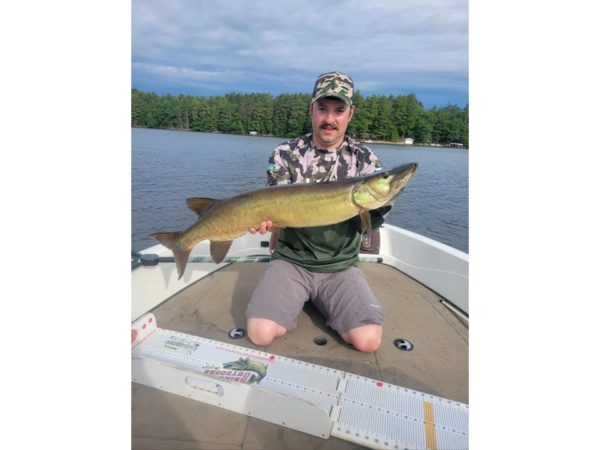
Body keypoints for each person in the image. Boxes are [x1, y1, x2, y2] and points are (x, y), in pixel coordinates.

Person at [246, 71, 388, 352]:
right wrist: (262, 221)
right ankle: (300, 294)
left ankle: (318, 298)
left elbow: (372, 217)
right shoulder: (285, 153)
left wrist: (382, 203)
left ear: (350, 114)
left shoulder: (364, 159)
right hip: (291, 261)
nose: (329, 119)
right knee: (260, 333)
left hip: (340, 265)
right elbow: (272, 204)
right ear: (311, 110)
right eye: (322, 109)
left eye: (339, 111)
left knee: (368, 340)